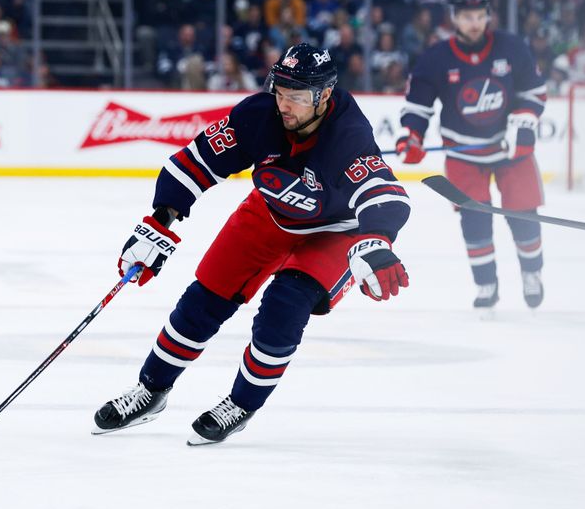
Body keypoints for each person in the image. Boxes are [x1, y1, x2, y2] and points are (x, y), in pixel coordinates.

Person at [92, 43, 411, 445]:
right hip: (270, 211)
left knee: (284, 307)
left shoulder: (348, 134)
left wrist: (377, 241)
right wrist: (160, 221)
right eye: (281, 91)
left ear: (325, 95)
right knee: (204, 298)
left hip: (335, 231)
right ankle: (151, 390)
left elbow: (386, 195)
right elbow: (195, 163)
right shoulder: (258, 115)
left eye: (297, 97)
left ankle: (241, 404)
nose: (284, 105)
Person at [396, 0, 547, 309]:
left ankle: (532, 273)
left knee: (524, 216)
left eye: (480, 16)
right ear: (454, 17)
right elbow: (418, 105)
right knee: (474, 220)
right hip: (463, 154)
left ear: (488, 15)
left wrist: (523, 123)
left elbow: (534, 92)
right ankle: (486, 283)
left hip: (509, 150)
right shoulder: (436, 57)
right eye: (467, 17)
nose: (475, 23)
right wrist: (412, 136)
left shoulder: (511, 47)